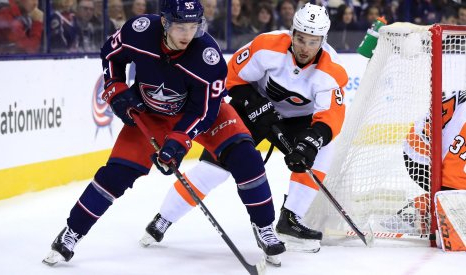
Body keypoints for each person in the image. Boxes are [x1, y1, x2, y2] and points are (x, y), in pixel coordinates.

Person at [42, 0, 285, 267]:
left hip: (200, 113)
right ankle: (72, 231)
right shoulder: (139, 30)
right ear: (166, 23)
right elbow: (110, 55)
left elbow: (204, 112)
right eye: (181, 26)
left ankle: (264, 228)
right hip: (151, 113)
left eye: (193, 26)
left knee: (245, 157)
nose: (187, 34)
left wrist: (178, 142)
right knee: (114, 175)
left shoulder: (208, 57)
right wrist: (115, 88)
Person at [141, 3, 348, 254]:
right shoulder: (266, 46)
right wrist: (252, 101)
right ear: (292, 32)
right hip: (251, 109)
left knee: (322, 150)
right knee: (214, 170)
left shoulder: (332, 70)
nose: (305, 47)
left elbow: (331, 116)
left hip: (297, 120)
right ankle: (164, 217)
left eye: (313, 42)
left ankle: (290, 218)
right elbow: (230, 76)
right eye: (300, 38)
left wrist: (311, 141)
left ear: (322, 41)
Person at [401, 90, 466, 232]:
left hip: (444, 148)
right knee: (458, 198)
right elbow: (451, 172)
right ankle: (419, 211)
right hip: (421, 156)